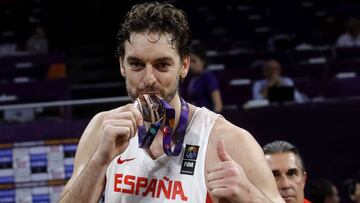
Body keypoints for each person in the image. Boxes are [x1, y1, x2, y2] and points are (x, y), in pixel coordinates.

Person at [58, 2, 284, 203]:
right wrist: (99, 161)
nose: (148, 79)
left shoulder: (227, 139)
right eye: (136, 64)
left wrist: (249, 196)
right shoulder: (102, 128)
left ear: (184, 66)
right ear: (121, 65)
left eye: (162, 65)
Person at [183, 43, 223, 112]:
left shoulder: (209, 77)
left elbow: (218, 105)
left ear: (203, 61)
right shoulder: (192, 78)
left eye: (194, 61)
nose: (191, 65)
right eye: (190, 61)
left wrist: (212, 121)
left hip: (206, 118)